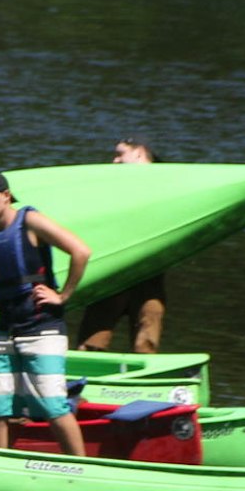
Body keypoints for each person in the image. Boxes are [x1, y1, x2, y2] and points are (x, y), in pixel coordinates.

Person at [0, 170, 91, 457]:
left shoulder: (29, 221)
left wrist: (63, 295)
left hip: (43, 327)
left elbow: (80, 251)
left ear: (6, 196)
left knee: (52, 403)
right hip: (6, 330)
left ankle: (81, 468)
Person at [78, 139, 168, 354]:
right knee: (91, 343)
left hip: (149, 276)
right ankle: (81, 383)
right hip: (113, 274)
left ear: (139, 154)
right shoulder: (109, 187)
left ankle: (143, 384)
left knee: (146, 344)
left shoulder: (168, 185)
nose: (114, 160)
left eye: (120, 155)